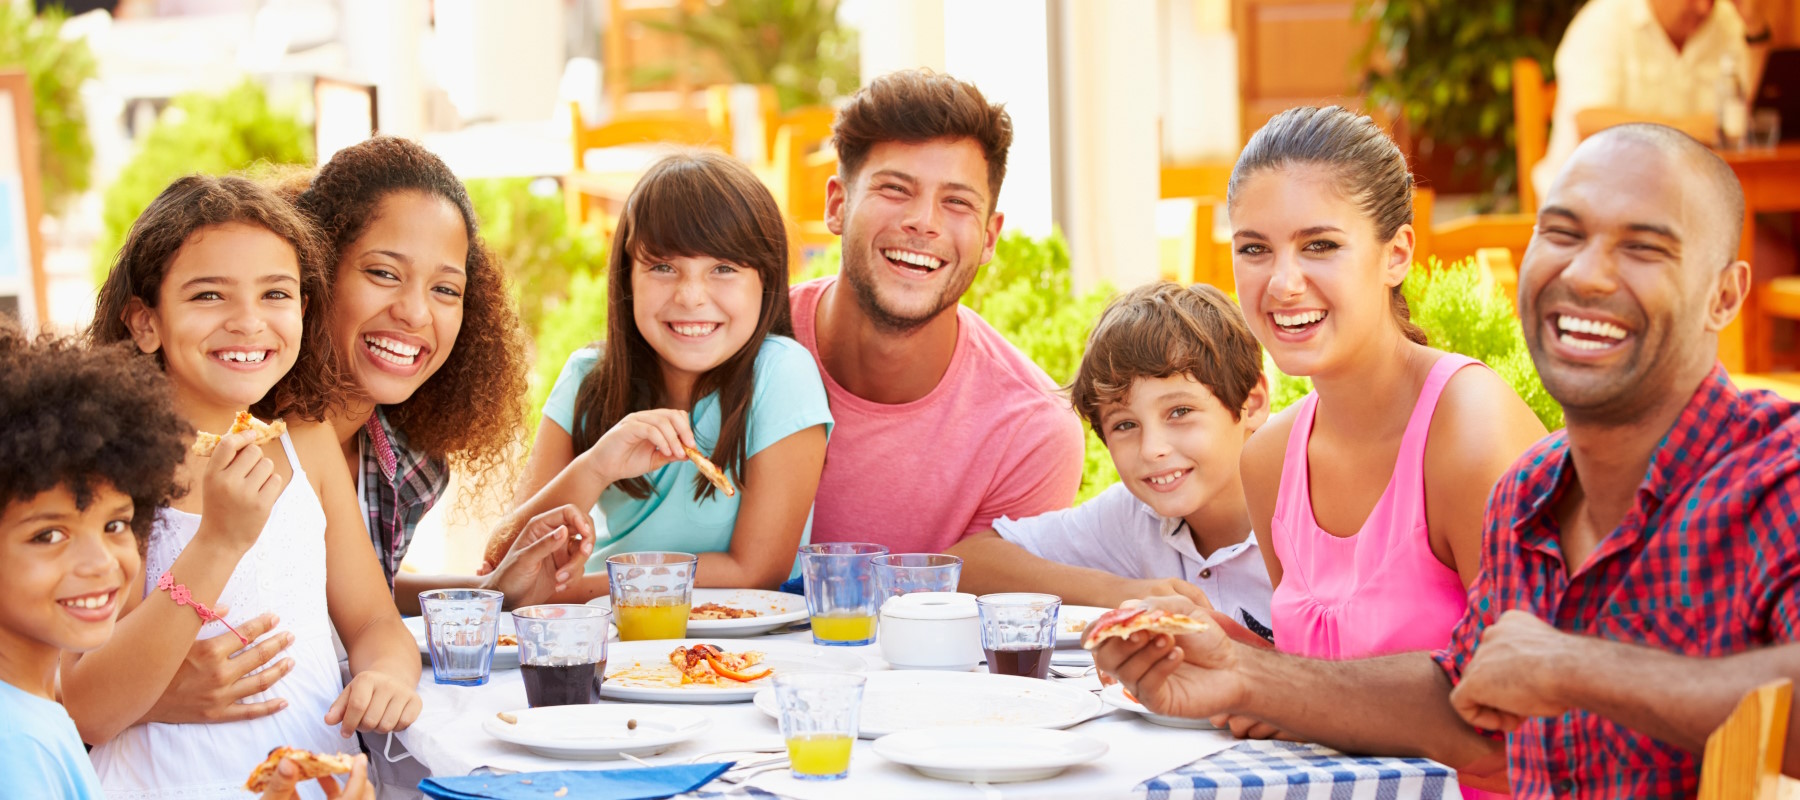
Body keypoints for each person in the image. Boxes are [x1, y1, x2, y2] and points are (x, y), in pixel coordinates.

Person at [1094, 123, 1800, 799]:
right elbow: (1471, 705)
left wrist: (1581, 667)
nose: (1586, 274)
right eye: (1562, 234)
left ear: (1725, 296)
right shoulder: (1533, 490)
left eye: (1645, 247)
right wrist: (1247, 672)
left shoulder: (1776, 474)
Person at [71, 175, 420, 798]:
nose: (248, 321)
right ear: (146, 322)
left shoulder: (304, 444)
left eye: (276, 293)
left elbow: (371, 621)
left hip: (315, 781)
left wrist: (388, 675)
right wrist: (218, 543)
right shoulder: (112, 472)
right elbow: (86, 705)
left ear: (304, 310)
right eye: (209, 295)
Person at [0, 325, 375, 800]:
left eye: (116, 525)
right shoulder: (17, 745)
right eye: (48, 535)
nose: (99, 562)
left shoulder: (35, 721)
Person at [1232, 106, 1544, 667]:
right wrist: (1231, 655)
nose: (1281, 283)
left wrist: (1269, 688)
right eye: (1254, 248)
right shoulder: (1268, 461)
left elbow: (1529, 701)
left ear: (1396, 255)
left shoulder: (1471, 432)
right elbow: (1318, 679)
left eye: (1320, 245)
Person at [486, 151, 833, 598]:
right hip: (605, 639)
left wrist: (556, 592)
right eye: (663, 267)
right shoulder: (588, 377)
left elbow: (755, 570)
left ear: (764, 283)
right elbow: (503, 562)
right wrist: (597, 466)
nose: (690, 296)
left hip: (742, 646)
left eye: (723, 269)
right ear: (627, 277)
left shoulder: (781, 372)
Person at [792, 68, 1086, 555]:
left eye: (956, 201)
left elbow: (984, 616)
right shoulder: (739, 346)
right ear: (838, 204)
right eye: (894, 189)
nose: (922, 222)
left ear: (989, 237)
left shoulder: (1031, 432)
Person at [290, 136, 588, 615]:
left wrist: (493, 590)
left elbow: (359, 602)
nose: (414, 313)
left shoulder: (408, 466)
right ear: (312, 268)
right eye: (384, 274)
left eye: (445, 289)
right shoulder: (237, 437)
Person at [949, 282, 1275, 634]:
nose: (1152, 449)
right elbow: (964, 566)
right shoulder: (1133, 517)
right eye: (1125, 424)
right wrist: (1118, 592)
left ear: (1252, 403)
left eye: (1180, 411)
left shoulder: (1313, 513)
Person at [1532, 0, 1772, 198]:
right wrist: (1688, 130)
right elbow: (1590, 125)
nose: (1703, 8)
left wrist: (1754, 27)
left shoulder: (1726, 21)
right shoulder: (1603, 21)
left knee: (1774, 253)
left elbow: (1741, 114)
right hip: (1594, 197)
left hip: (1684, 203)